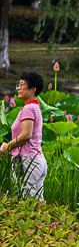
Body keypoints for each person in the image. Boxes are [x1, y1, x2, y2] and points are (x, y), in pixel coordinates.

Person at [1, 71, 47, 201]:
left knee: (27, 202)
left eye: (22, 85)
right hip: (37, 159)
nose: (18, 88)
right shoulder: (34, 107)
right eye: (18, 85)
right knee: (37, 203)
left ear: (33, 89)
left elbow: (26, 135)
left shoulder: (28, 108)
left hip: (27, 161)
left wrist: (8, 145)